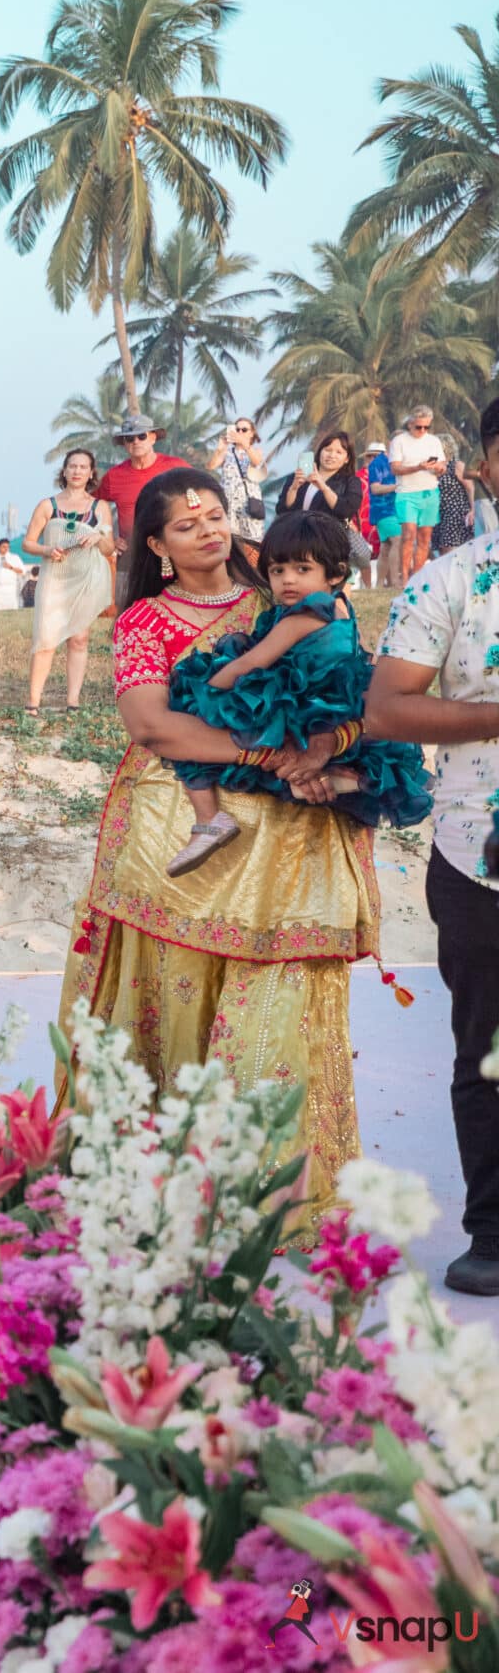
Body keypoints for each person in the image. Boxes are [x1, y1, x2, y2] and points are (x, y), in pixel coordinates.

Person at [58, 469, 377, 1221]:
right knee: (178, 998)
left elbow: (347, 688)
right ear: (159, 547)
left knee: (279, 1002)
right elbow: (153, 726)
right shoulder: (144, 620)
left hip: (293, 832)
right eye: (184, 522)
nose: (205, 527)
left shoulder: (282, 596)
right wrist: (267, 755)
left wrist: (326, 753)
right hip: (182, 838)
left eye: (212, 514)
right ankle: (166, 1194)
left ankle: (271, 1199)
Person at [365, 393, 499, 1295]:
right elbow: (386, 708)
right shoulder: (448, 579)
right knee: (485, 1050)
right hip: (475, 851)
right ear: (486, 464)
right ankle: (492, 1232)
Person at [156, 511, 429, 875]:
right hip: (332, 697)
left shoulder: (304, 613)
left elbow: (254, 661)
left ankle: (208, 817)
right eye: (277, 570)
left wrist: (210, 688)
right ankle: (339, 772)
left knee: (193, 710)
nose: (287, 580)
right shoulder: (338, 606)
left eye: (302, 570)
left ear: (335, 573)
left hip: (305, 696)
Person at [24, 448, 118, 710]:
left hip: (85, 578)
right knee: (45, 638)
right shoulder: (47, 505)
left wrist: (99, 537)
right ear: (64, 471)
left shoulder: (99, 507)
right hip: (54, 578)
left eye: (83, 467)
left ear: (91, 473)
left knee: (79, 639)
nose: (77, 471)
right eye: (72, 466)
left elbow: (109, 548)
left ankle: (73, 702)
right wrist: (46, 550)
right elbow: (28, 543)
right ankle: (33, 703)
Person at [389, 406, 447, 587]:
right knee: (408, 534)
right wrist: (418, 467)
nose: (422, 431)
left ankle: (417, 578)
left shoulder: (434, 441)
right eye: (418, 427)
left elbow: (443, 465)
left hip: (430, 491)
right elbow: (395, 468)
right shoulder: (399, 441)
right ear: (410, 424)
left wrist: (438, 467)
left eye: (426, 427)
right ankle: (404, 578)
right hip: (406, 493)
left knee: (424, 537)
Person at [99, 414, 184, 538]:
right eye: (130, 439)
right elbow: (86, 502)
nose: (136, 442)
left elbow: (203, 491)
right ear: (124, 443)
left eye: (142, 436)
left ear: (153, 438)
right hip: (132, 553)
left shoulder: (176, 466)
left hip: (172, 549)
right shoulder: (113, 476)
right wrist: (108, 538)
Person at [209, 415, 268, 545]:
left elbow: (257, 462)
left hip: (249, 503)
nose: (240, 432)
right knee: (232, 542)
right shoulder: (227, 451)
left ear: (252, 433)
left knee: (253, 541)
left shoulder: (255, 451)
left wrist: (245, 445)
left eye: (244, 430)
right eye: (237, 429)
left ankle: (252, 565)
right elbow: (211, 466)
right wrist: (219, 450)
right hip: (229, 502)